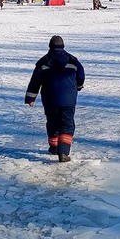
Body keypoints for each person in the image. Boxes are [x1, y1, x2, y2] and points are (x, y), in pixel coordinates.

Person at [25, 35, 85, 163]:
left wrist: (31, 97)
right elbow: (81, 74)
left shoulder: (43, 62)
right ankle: (63, 152)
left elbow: (35, 81)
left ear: (50, 46)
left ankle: (54, 147)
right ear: (63, 46)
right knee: (67, 124)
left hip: (50, 100)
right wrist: (79, 86)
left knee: (52, 123)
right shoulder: (73, 60)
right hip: (68, 99)